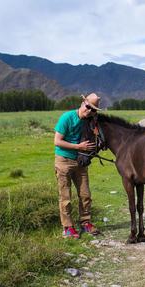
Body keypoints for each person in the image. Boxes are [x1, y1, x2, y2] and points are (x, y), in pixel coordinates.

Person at [54, 93, 101, 238]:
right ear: (83, 103)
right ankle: (68, 227)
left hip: (80, 162)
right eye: (88, 107)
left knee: (85, 194)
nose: (89, 111)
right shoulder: (67, 118)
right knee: (65, 196)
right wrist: (78, 147)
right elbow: (57, 141)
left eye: (93, 110)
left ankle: (85, 223)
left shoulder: (89, 121)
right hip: (64, 161)